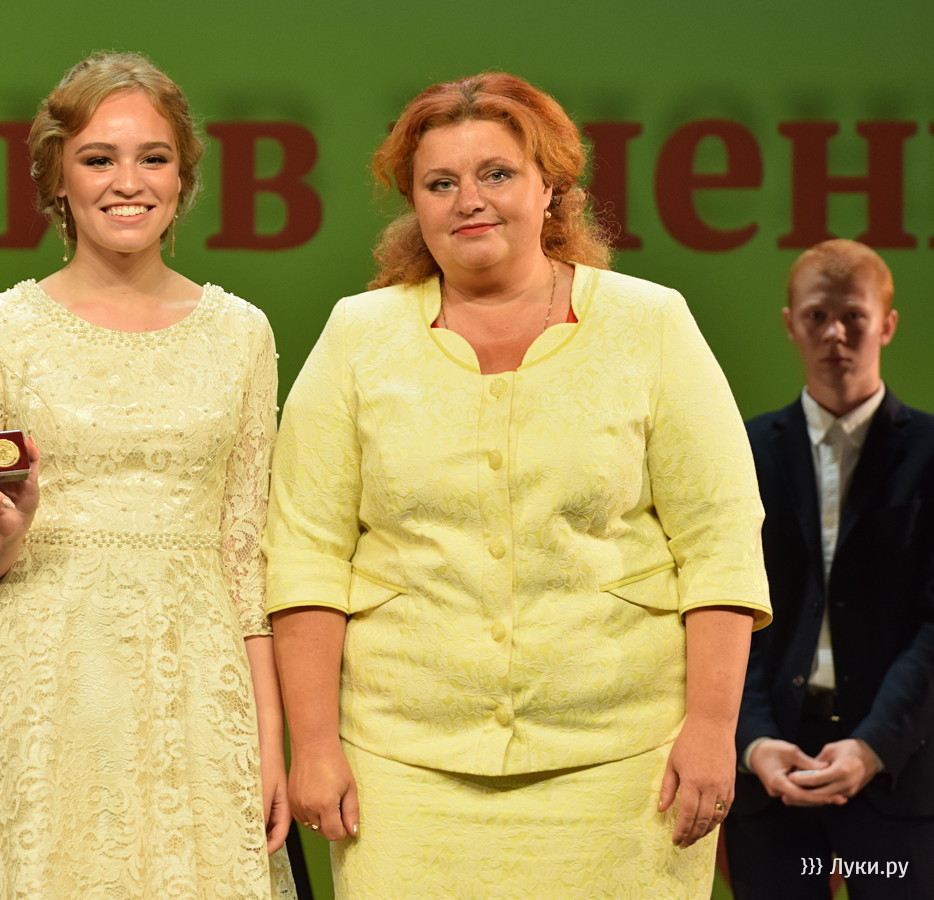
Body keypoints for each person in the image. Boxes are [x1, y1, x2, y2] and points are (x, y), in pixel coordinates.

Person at [262, 71, 773, 897]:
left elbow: (719, 542)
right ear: (414, 203)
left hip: (626, 769)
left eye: (497, 173)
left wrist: (714, 728)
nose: (470, 200)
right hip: (401, 774)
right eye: (440, 183)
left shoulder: (650, 323)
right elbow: (306, 554)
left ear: (551, 188)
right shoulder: (358, 337)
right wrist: (314, 744)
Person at [0, 52, 295, 898]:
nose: (128, 182)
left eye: (153, 157)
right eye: (99, 158)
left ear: (183, 177)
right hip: (43, 686)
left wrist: (269, 739)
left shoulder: (242, 334)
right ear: (57, 178)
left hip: (195, 687)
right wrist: (3, 532)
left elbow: (246, 559)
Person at [725, 240, 934, 899]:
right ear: (791, 323)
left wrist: (874, 746)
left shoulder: (931, 452)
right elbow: (724, 609)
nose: (835, 333)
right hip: (771, 770)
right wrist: (753, 741)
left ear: (887, 324)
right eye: (817, 316)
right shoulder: (740, 451)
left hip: (899, 767)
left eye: (854, 316)